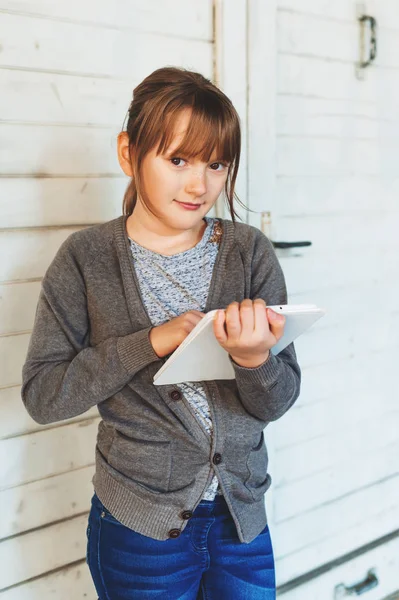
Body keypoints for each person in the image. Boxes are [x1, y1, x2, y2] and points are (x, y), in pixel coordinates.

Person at [21, 66, 301, 600]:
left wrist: (254, 360)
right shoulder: (85, 260)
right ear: (129, 153)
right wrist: (149, 342)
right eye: (178, 160)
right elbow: (44, 396)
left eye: (216, 164)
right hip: (138, 527)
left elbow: (278, 400)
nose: (200, 185)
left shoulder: (249, 253)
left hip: (242, 521)